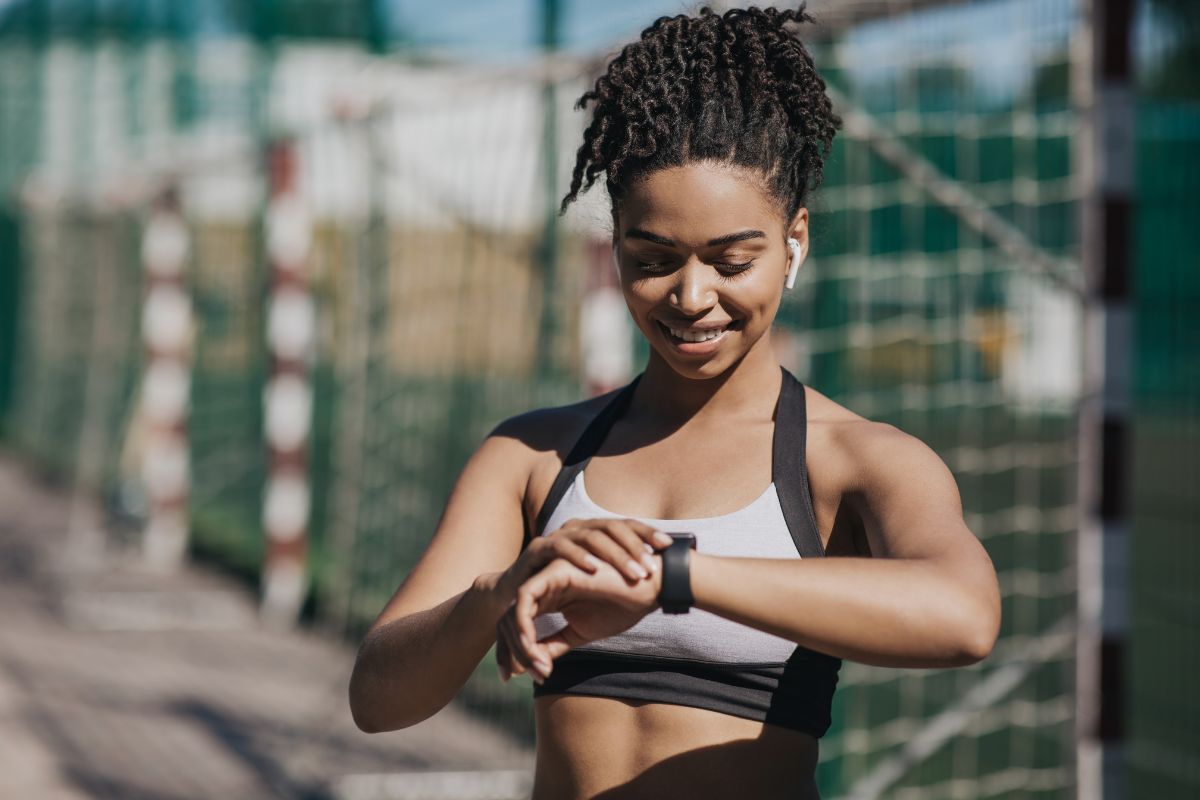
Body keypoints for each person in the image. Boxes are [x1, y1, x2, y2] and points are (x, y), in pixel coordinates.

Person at [348, 5, 1001, 798]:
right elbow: (377, 700)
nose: (692, 296)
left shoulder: (851, 460)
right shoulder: (531, 458)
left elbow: (965, 617)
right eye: (652, 258)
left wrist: (676, 576)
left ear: (794, 241)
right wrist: (501, 590)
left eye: (731, 261)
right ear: (615, 242)